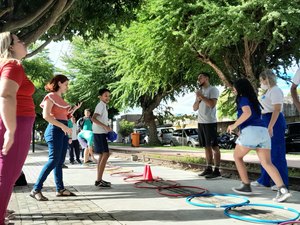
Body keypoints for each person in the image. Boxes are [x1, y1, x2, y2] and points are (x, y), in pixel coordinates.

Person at [228, 78, 291, 202]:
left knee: (237, 157)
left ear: (240, 88)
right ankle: (283, 190)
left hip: (251, 131)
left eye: (234, 87)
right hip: (263, 131)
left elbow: (247, 113)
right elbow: (253, 115)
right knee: (267, 163)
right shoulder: (254, 100)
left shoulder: (242, 98)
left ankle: (246, 185)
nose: (233, 89)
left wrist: (233, 125)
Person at [0, 32, 35, 225]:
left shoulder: (4, 65)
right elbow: (5, 95)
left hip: (11, 120)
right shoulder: (13, 65)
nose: (24, 43)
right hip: (16, 121)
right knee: (8, 174)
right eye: (19, 41)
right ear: (11, 47)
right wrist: (11, 131)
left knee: (6, 173)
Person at [30, 75, 82, 201]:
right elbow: (46, 116)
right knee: (53, 160)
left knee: (59, 162)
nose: (67, 87)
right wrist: (63, 127)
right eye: (66, 84)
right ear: (59, 83)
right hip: (54, 131)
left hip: (62, 130)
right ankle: (36, 189)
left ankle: (60, 189)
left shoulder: (60, 99)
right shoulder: (50, 97)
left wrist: (74, 110)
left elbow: (65, 116)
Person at [251, 69, 289, 190]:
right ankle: (265, 180)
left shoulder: (276, 90)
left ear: (267, 79)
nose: (261, 82)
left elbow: (276, 109)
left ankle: (281, 183)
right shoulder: (268, 91)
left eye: (261, 80)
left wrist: (270, 126)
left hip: (274, 120)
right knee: (265, 152)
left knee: (277, 152)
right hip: (265, 119)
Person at [193, 73, 221, 179]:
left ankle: (217, 170)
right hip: (201, 122)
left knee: (214, 146)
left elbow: (211, 104)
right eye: (198, 78)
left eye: (200, 77)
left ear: (206, 78)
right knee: (206, 146)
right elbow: (195, 108)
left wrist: (201, 96)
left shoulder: (213, 89)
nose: (199, 79)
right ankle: (208, 168)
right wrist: (198, 98)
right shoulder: (200, 93)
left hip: (210, 122)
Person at [92, 88, 112, 188]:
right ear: (100, 97)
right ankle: (99, 180)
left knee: (102, 155)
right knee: (106, 154)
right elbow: (93, 118)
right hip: (99, 132)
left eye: (109, 96)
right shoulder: (100, 105)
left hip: (100, 132)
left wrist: (107, 127)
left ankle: (99, 180)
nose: (108, 97)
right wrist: (105, 127)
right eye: (105, 95)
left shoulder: (104, 105)